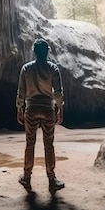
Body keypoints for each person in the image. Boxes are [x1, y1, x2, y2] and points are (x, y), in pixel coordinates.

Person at [15, 38, 65, 192]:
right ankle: (51, 178)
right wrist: (60, 109)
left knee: (30, 143)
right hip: (47, 108)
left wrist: (19, 109)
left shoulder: (26, 69)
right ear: (48, 51)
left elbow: (21, 92)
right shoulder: (53, 68)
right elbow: (58, 92)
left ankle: (26, 176)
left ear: (34, 52)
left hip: (31, 108)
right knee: (48, 144)